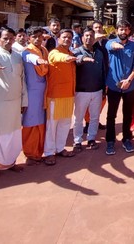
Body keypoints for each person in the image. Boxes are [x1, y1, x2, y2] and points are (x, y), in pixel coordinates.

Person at [0, 27, 28, 179]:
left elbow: (23, 79)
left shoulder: (18, 56)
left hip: (15, 103)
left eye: (11, 38)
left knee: (13, 136)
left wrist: (24, 101)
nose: (8, 41)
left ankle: (10, 162)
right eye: (5, 38)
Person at [105, 20, 134, 155]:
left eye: (125, 29)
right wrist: (117, 45)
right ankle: (110, 141)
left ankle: (127, 139)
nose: (123, 32)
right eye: (120, 29)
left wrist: (129, 79)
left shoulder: (133, 45)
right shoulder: (110, 42)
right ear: (116, 31)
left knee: (127, 114)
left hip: (129, 85)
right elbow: (111, 45)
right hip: (114, 85)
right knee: (111, 115)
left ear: (129, 31)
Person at [44, 29, 77, 165]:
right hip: (55, 95)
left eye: (69, 38)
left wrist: (70, 56)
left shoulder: (70, 52)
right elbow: (58, 58)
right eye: (64, 37)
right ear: (58, 39)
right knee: (52, 125)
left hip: (69, 94)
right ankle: (49, 152)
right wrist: (67, 58)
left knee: (65, 123)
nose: (67, 40)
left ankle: (60, 148)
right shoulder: (54, 52)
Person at [72, 26, 106, 152]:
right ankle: (77, 141)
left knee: (95, 117)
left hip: (97, 90)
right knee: (78, 118)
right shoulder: (77, 51)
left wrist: (103, 89)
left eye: (91, 36)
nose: (89, 38)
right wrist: (82, 59)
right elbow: (75, 60)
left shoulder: (99, 53)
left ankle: (91, 138)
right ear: (82, 38)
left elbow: (103, 71)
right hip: (81, 91)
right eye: (86, 36)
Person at [21, 26, 49, 165]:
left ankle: (38, 151)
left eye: (40, 36)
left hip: (44, 93)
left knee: (42, 123)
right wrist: (39, 61)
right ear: (28, 38)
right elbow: (31, 58)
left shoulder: (44, 50)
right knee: (30, 123)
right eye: (34, 37)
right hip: (31, 93)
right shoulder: (26, 52)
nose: (38, 39)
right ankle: (30, 153)